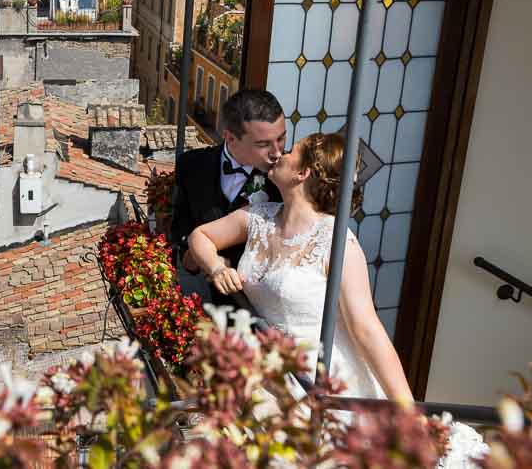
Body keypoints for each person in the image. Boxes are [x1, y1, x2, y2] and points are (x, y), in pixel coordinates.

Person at [182, 132, 487, 465]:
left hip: (321, 377)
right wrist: (215, 266)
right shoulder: (258, 217)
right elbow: (201, 236)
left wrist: (408, 408)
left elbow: (366, 327)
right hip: (269, 369)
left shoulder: (338, 241)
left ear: (304, 173)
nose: (279, 153)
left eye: (291, 150)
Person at [170, 90, 286, 305]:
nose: (277, 152)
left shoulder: (286, 180)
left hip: (259, 307)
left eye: (281, 138)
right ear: (230, 138)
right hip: (205, 300)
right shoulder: (191, 165)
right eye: (263, 144)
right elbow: (180, 224)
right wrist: (194, 255)